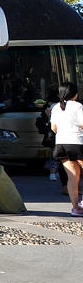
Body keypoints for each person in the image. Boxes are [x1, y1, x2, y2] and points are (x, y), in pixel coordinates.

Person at [49, 82, 83, 216]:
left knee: (72, 176)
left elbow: (53, 128)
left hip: (61, 144)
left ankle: (75, 208)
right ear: (75, 94)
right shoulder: (78, 106)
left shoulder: (56, 107)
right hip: (78, 142)